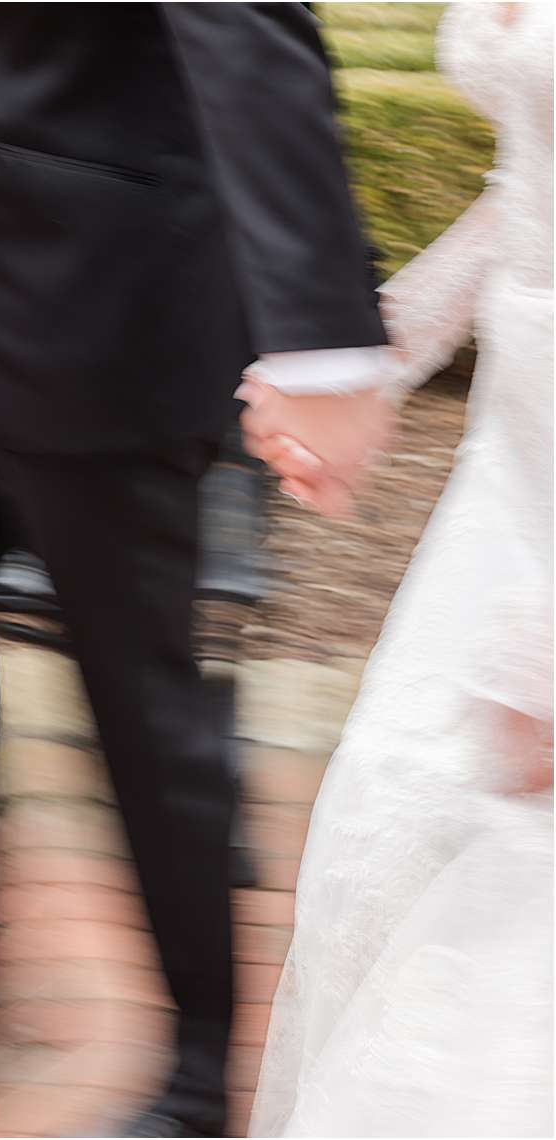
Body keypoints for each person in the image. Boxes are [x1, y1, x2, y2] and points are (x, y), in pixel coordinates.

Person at [0, 6, 391, 1136]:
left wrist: (323, 346)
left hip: (103, 309)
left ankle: (194, 1076)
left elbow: (251, 31)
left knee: (137, 703)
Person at [243, 4, 552, 1134]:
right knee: (393, 816)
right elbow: (528, 171)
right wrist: (383, 348)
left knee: (497, 869)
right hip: (511, 458)